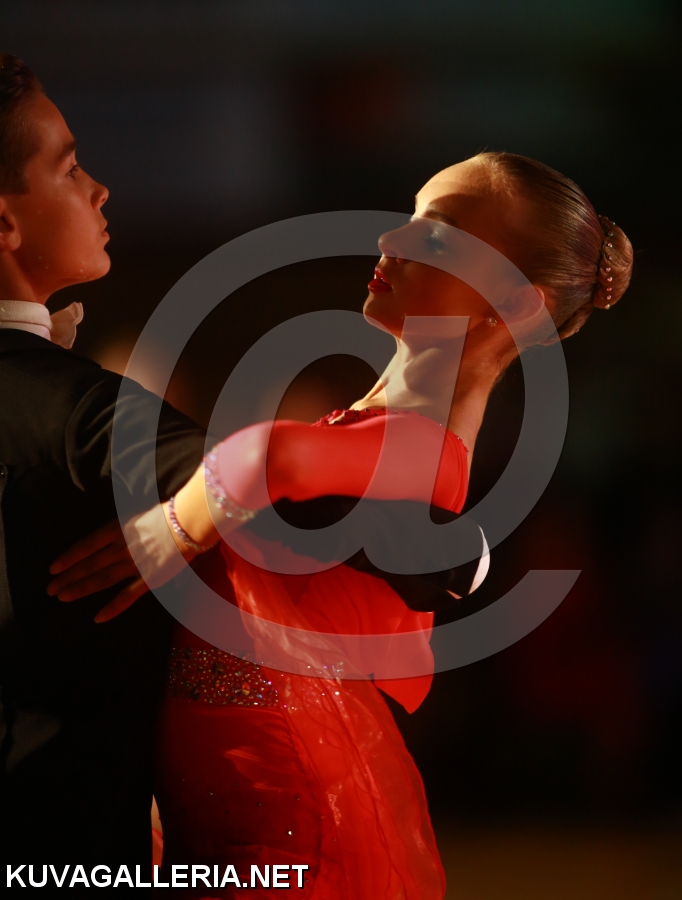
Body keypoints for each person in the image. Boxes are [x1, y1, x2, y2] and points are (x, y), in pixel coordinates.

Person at [52, 152, 633, 897]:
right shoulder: (376, 432)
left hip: (295, 806)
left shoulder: (425, 447)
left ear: (517, 303)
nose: (392, 240)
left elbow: (267, 458)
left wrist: (166, 532)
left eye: (439, 234)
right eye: (411, 216)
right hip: (244, 790)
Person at [0, 54, 207, 869]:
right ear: (4, 224)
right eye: (70, 167)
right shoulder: (69, 405)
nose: (99, 189)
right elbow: (298, 507)